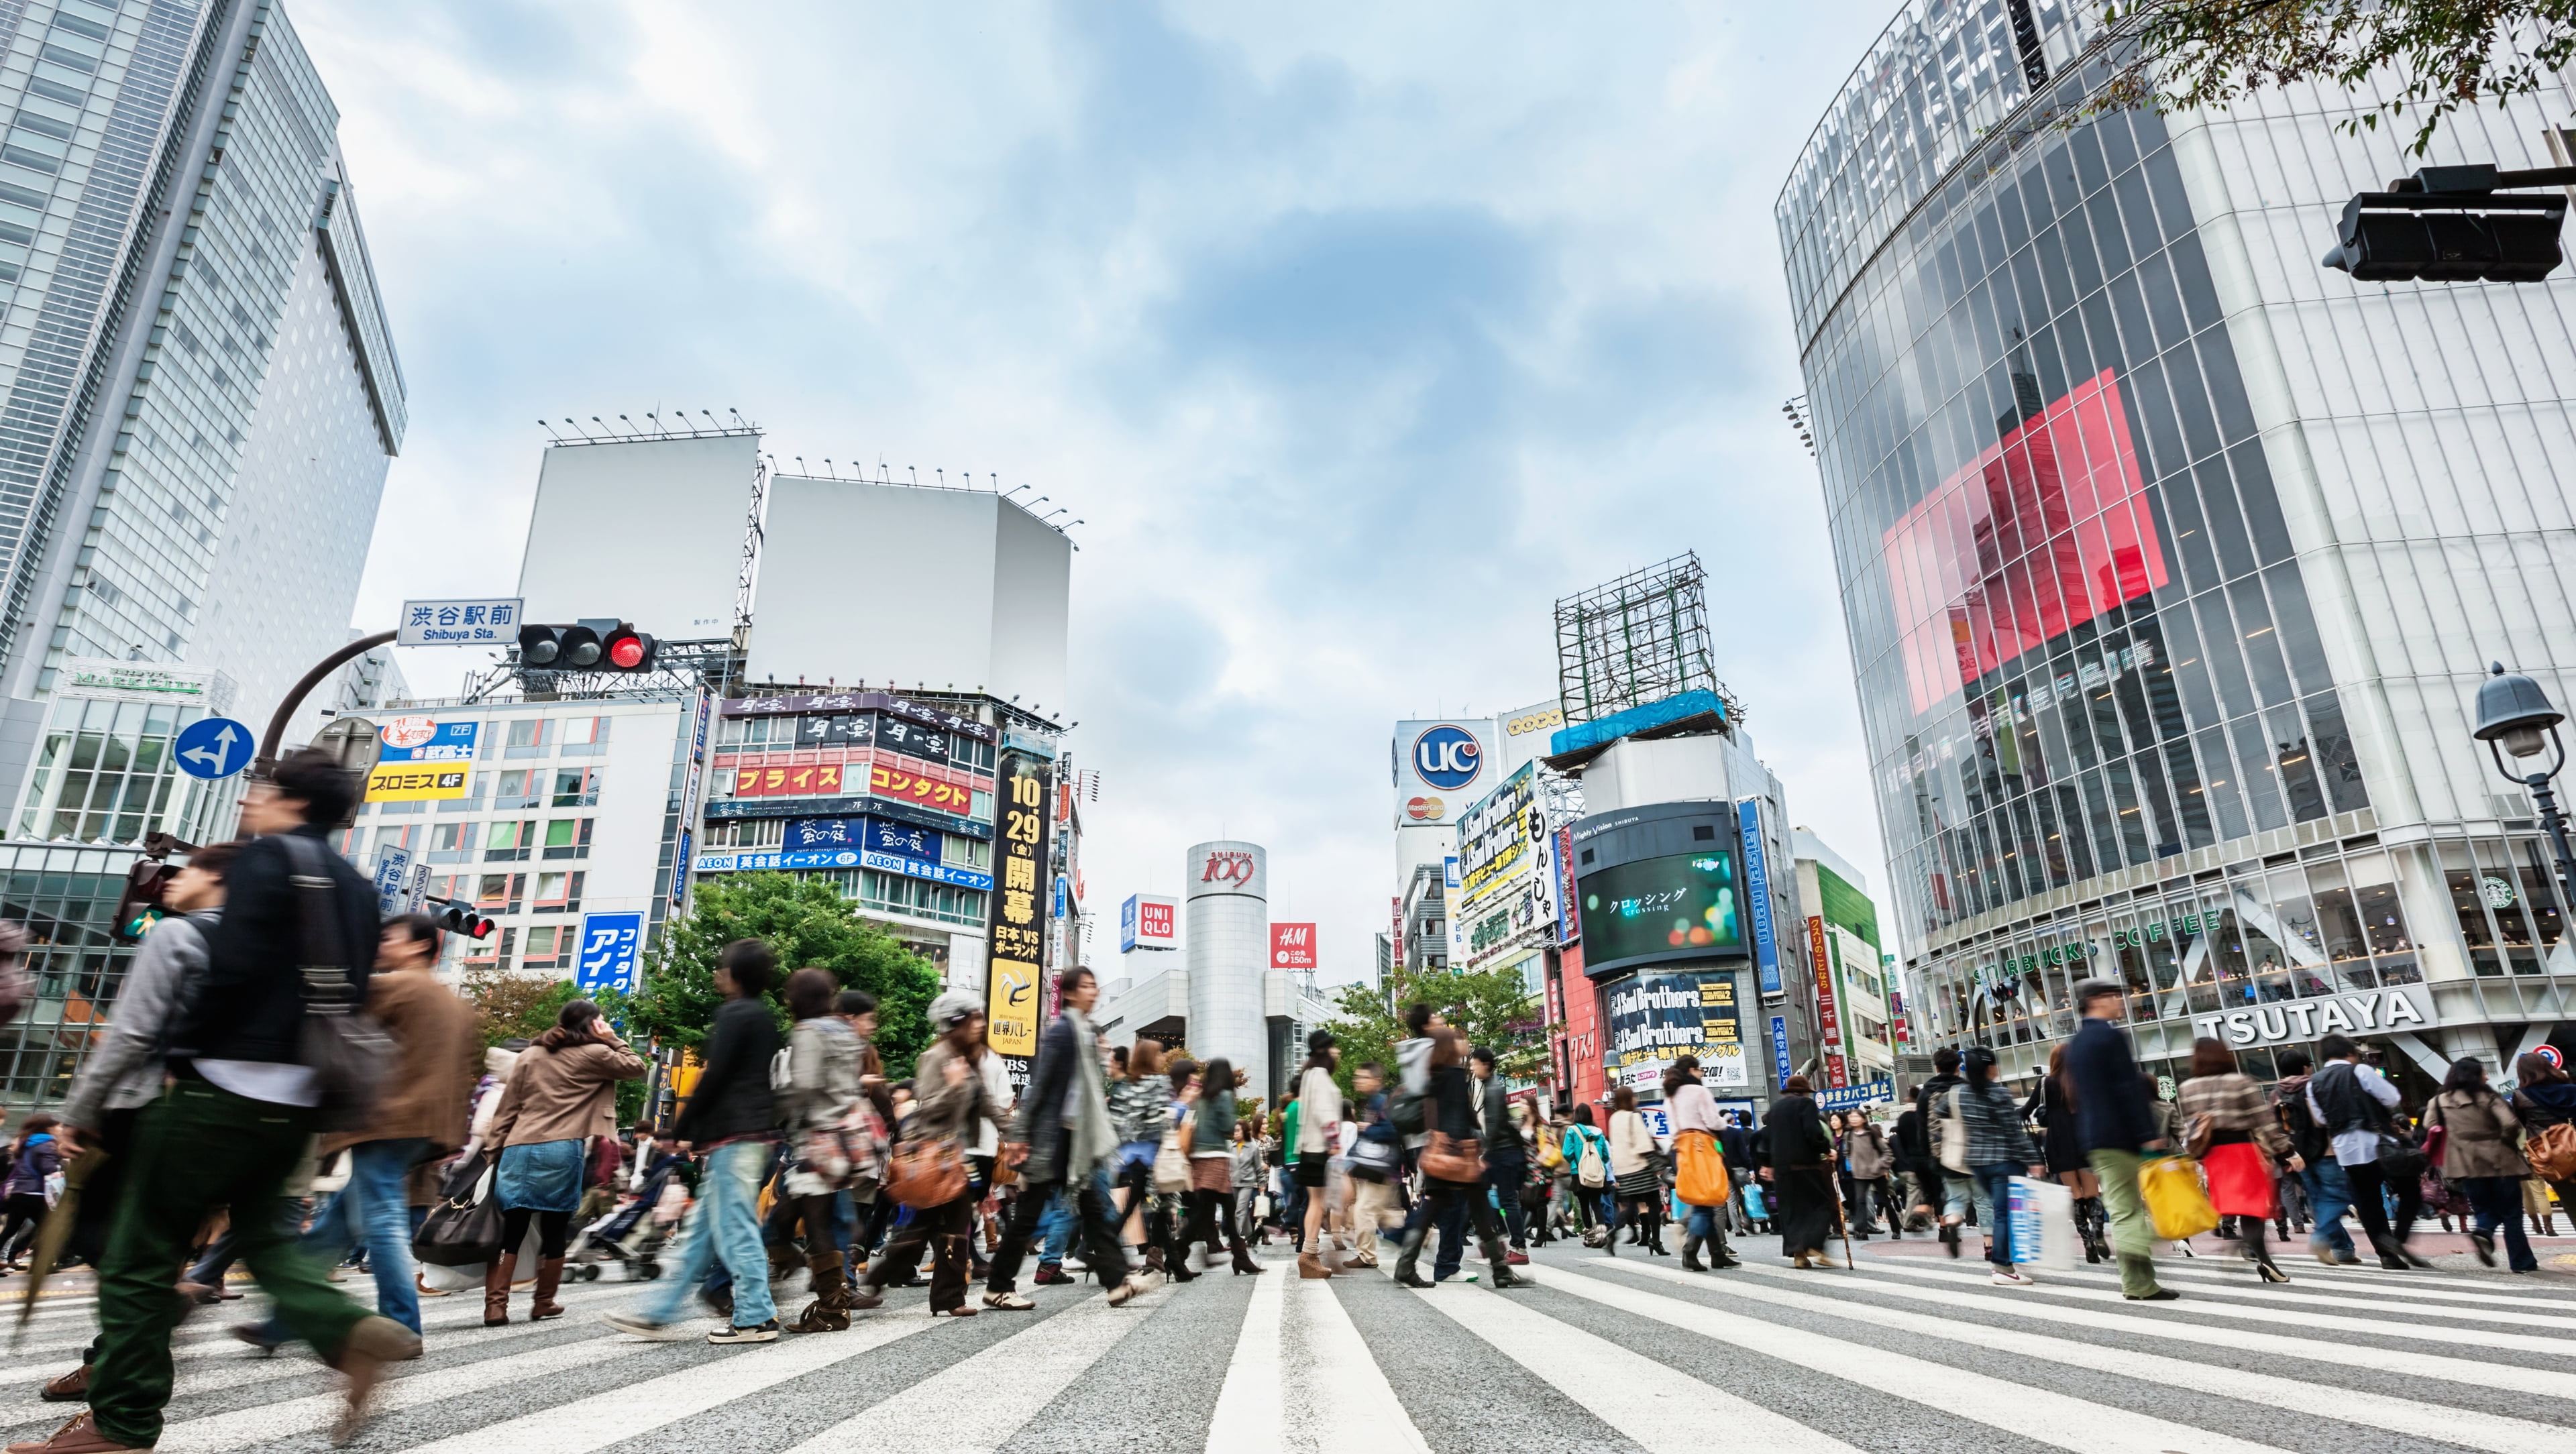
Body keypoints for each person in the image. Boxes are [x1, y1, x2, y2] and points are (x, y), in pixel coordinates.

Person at [27, 751, 419, 1454]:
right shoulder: (359, 888)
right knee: (267, 1240)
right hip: (300, 1101)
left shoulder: (267, 859)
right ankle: (347, 1331)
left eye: (262, 788)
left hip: (220, 1090)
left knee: (138, 1259)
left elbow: (232, 973)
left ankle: (121, 1423)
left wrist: (174, 1061)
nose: (251, 799)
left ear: (292, 800)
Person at [44, 844, 234, 1402]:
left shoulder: (177, 935)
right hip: (218, 1114)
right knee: (146, 1246)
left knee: (100, 1238)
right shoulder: (265, 948)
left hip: (144, 1104)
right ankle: (108, 1361)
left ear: (218, 878)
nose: (174, 880)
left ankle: (123, 1384)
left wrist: (80, 1114)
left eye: (190, 870)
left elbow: (127, 1035)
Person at [234, 912, 475, 1349]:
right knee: (336, 1226)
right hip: (424, 1126)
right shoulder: (453, 1003)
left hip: (384, 1119)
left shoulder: (396, 986)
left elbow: (329, 1017)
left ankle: (402, 1325)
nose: (382, 943)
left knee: (380, 1220)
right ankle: (284, 1320)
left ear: (422, 945)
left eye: (391, 937)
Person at [605, 938, 784, 1343]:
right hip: (748, 1135)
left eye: (723, 966)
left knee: (736, 1230)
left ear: (736, 975)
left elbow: (715, 1077)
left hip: (736, 1139)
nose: (718, 973)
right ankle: (657, 1312)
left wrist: (684, 1130)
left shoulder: (736, 1014)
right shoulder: (761, 1016)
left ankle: (756, 1317)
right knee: (700, 1236)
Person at [986, 966, 1146, 1310]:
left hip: (1077, 1143)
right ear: (1070, 993)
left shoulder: (1087, 1032)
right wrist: (1020, 1137)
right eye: (1086, 986)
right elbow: (1040, 1088)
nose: (1094, 992)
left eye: (1095, 985)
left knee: (1096, 1211)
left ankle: (1116, 1283)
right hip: (1051, 1141)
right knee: (1029, 1218)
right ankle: (998, 1286)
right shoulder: (1063, 1032)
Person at [482, 997, 645, 1325]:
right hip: (561, 1148)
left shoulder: (530, 1054)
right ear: (592, 1024)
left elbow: (507, 1109)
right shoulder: (596, 1054)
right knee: (555, 1228)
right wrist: (611, 1037)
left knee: (512, 1230)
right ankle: (544, 1302)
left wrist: (492, 1150)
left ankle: (495, 1306)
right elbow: (637, 1067)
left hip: (518, 1147)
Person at [1391, 1030, 1531, 1289]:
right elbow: (1461, 1116)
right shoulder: (1455, 1075)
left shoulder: (1433, 1075)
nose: (1464, 1043)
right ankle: (1500, 1270)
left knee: (1433, 1212)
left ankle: (1406, 1264)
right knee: (1480, 1213)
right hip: (1456, 1155)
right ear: (1450, 1047)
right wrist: (1470, 1149)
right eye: (1459, 1040)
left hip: (1437, 1153)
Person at [2063, 977, 2174, 1300]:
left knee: (2126, 1208)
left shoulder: (2078, 1042)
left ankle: (2140, 1283)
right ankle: (2142, 1257)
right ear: (2097, 1000)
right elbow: (2128, 1089)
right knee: (2129, 1211)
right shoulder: (2110, 1037)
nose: (2121, 1001)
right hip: (2121, 1135)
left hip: (2095, 1136)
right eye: (2115, 996)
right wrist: (2148, 1134)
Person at [773, 968, 869, 1331]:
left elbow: (804, 1086)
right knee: (805, 1220)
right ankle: (829, 1300)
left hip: (816, 1142)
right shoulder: (845, 1032)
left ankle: (831, 1307)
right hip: (846, 1140)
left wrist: (776, 1108)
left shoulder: (808, 1032)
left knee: (808, 1223)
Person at [2176, 1036, 2298, 1283]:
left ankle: (2261, 1258)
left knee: (2236, 1205)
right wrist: (2287, 1151)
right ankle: (2261, 1259)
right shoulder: (2240, 1082)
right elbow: (2263, 1121)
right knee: (2254, 1208)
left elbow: (2187, 1127)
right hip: (2242, 1150)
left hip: (2213, 1155)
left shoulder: (2187, 1088)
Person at [2306, 1034, 2420, 1270]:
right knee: (2410, 1191)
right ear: (2349, 1053)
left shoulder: (2313, 1082)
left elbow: (2320, 1119)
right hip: (2378, 1143)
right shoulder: (2360, 1071)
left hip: (2345, 1149)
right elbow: (2392, 1098)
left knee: (2368, 1202)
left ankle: (2387, 1256)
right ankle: (2396, 1240)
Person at [2426, 1056, 2536, 1273]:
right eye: (2483, 1072)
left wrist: (2457, 1139)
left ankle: (2484, 1231)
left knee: (2484, 1207)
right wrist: (2502, 1141)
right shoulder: (2488, 1097)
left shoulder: (2439, 1101)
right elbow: (2510, 1124)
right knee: (2512, 1213)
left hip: (2465, 1163)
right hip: (2500, 1160)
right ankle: (2522, 1262)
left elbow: (2430, 1125)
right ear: (2474, 1076)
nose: (2486, 1076)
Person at [1951, 1046, 2043, 1286]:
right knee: (2006, 1215)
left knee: (1999, 1213)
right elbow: (2014, 1133)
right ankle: (2002, 1266)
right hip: (2004, 1162)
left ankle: (2005, 1261)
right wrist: (2033, 1159)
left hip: (1978, 1164)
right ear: (1989, 1067)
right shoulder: (1999, 1094)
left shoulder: (1960, 1093)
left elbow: (1943, 1112)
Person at [1173, 1056, 1260, 1276]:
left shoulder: (1200, 1097)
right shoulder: (1224, 1095)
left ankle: (1238, 1257)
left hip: (1199, 1159)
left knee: (1216, 1210)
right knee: (1209, 1212)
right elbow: (1227, 1126)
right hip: (1216, 1158)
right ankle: (1178, 1254)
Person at [2271, 1050, 2356, 1266]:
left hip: (2297, 1155)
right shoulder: (2314, 1084)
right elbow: (2326, 1118)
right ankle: (2321, 1237)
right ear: (2305, 1067)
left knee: (2319, 1201)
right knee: (2338, 1196)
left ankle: (2344, 1249)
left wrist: (2286, 1154)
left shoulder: (2277, 1093)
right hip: (2326, 1150)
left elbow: (2274, 1128)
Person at [2025, 1042, 2106, 1262]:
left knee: (2075, 1195)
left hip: (2059, 1146)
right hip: (2086, 1143)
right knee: (2092, 1192)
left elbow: (2025, 1111)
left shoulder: (2045, 1083)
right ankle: (2098, 1230)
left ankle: (2088, 1242)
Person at [1663, 1056, 1738, 1271]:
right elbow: (1713, 1121)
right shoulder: (1699, 1092)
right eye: (1700, 1070)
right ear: (1692, 1070)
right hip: (1702, 1148)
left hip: (1681, 1149)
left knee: (1702, 1201)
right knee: (1705, 1205)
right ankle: (1690, 1252)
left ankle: (1717, 1254)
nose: (1702, 1074)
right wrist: (1725, 1122)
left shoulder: (1670, 1096)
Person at [1762, 1075, 1837, 1268]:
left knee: (1791, 1211)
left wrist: (1768, 1164)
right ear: (1805, 1092)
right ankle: (1815, 1245)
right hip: (1806, 1166)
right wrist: (1826, 1149)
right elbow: (1813, 1132)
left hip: (1782, 1170)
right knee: (1821, 1206)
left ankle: (1799, 1254)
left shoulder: (1775, 1109)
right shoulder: (1806, 1105)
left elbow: (1767, 1138)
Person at [1468, 1048, 1529, 1263]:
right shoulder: (1490, 1086)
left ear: (1486, 1065)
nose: (1472, 1068)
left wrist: (1484, 1155)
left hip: (1501, 1153)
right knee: (1489, 1195)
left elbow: (1493, 1126)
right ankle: (1496, 1239)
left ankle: (1517, 1247)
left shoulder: (1493, 1089)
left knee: (1505, 1200)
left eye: (1475, 1064)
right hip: (1503, 1151)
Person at [1291, 1030, 1343, 1278]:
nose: (1338, 1052)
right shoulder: (1320, 1075)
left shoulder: (1309, 1074)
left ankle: (1309, 1254)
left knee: (1316, 1202)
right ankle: (1309, 1255)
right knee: (1317, 1203)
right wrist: (1335, 1141)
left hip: (1309, 1148)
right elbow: (1325, 1112)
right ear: (1325, 1050)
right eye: (1334, 1047)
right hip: (1319, 1147)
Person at [1913, 1046, 1972, 1253]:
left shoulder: (1926, 1093)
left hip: (1939, 1152)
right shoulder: (1967, 1088)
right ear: (1958, 1067)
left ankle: (1946, 1223)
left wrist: (1926, 1154)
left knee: (1949, 1194)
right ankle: (1989, 1243)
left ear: (1936, 1068)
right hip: (1968, 1152)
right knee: (1982, 1198)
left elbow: (1922, 1127)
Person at [2509, 1050, 2576, 1223]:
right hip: (2574, 1145)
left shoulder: (2520, 1096)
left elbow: (2522, 1123)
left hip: (2548, 1154)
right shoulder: (2571, 1090)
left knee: (2570, 1202)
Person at [1345, 1066, 1395, 1266]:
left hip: (1381, 1166)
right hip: (1378, 1165)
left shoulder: (1381, 1101)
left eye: (1363, 1077)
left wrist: (1369, 1129)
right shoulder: (1374, 1102)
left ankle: (1367, 1256)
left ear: (1376, 1080)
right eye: (1357, 1077)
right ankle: (1417, 1232)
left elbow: (1392, 1130)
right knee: (1378, 1213)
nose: (1358, 1080)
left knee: (1365, 1211)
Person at [1606, 1086, 1664, 1255]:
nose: (1636, 1099)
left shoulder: (1614, 1118)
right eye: (1634, 1097)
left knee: (1631, 1205)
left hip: (1623, 1169)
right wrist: (1656, 1165)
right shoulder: (1633, 1117)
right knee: (1654, 1204)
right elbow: (1644, 1144)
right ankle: (1656, 1241)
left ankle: (1614, 1233)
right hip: (1640, 1167)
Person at [0, 1116, 59, 1270]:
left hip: (19, 1192)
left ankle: (12, 1259)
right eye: (58, 1127)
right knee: (48, 1229)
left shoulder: (25, 1143)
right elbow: (48, 1169)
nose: (60, 1129)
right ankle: (42, 1265)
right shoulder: (46, 1144)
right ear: (48, 1128)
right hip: (35, 1194)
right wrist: (59, 1167)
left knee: (10, 1229)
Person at [1841, 1111, 1895, 1238]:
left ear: (1863, 1119)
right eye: (1851, 1117)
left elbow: (1887, 1152)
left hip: (1877, 1173)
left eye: (1856, 1117)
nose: (1853, 1119)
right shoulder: (1849, 1135)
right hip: (1860, 1174)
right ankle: (1861, 1230)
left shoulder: (1872, 1134)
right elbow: (1847, 1153)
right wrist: (1854, 1164)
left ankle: (1896, 1228)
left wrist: (1879, 1165)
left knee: (1886, 1201)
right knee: (1860, 1202)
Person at [1562, 1105, 1611, 1241]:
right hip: (1597, 1173)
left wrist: (1575, 1163)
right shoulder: (1599, 1132)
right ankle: (1601, 1234)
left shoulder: (1572, 1130)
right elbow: (1606, 1156)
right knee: (1596, 1203)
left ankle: (1590, 1235)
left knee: (1584, 1204)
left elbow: (1567, 1152)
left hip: (1578, 1173)